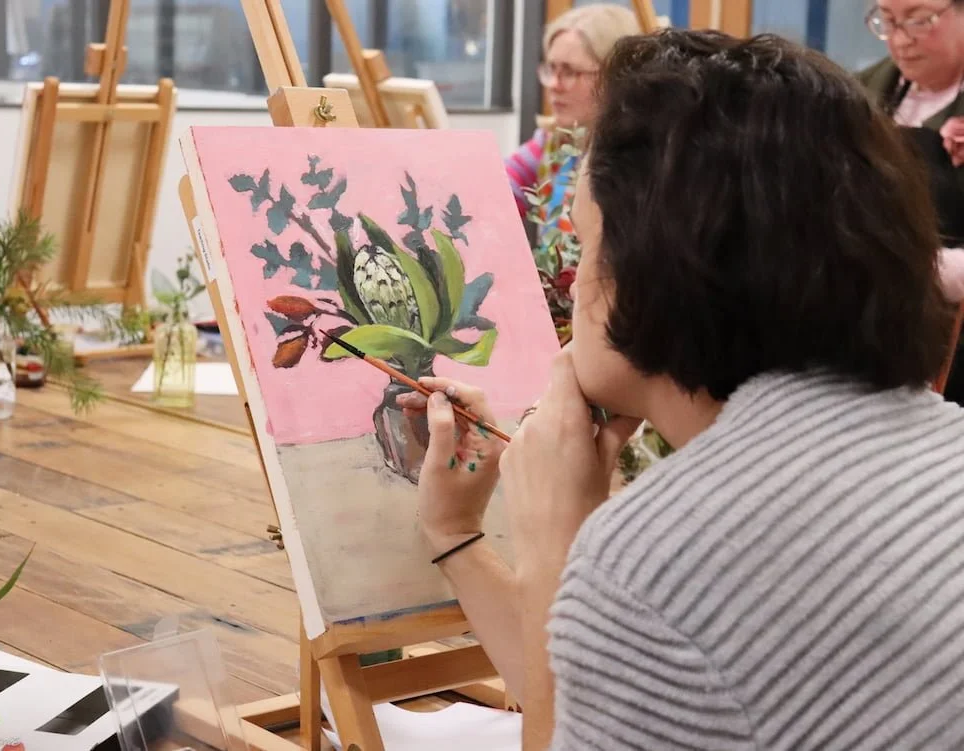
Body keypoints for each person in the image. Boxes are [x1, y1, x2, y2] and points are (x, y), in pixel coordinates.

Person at [399, 29, 964, 750]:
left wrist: (556, 546)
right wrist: (456, 534)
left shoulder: (657, 563)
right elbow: (620, 701)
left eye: (586, 243)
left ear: (649, 271)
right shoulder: (938, 440)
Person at [858, 0, 964, 398]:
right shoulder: (860, 90)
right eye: (888, 21)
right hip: (873, 329)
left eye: (919, 20)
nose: (901, 40)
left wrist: (942, 271)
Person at [504, 3, 640, 260]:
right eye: (551, 69)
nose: (554, 85)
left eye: (570, 72)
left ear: (616, 78)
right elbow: (498, 189)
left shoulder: (640, 161)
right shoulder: (551, 142)